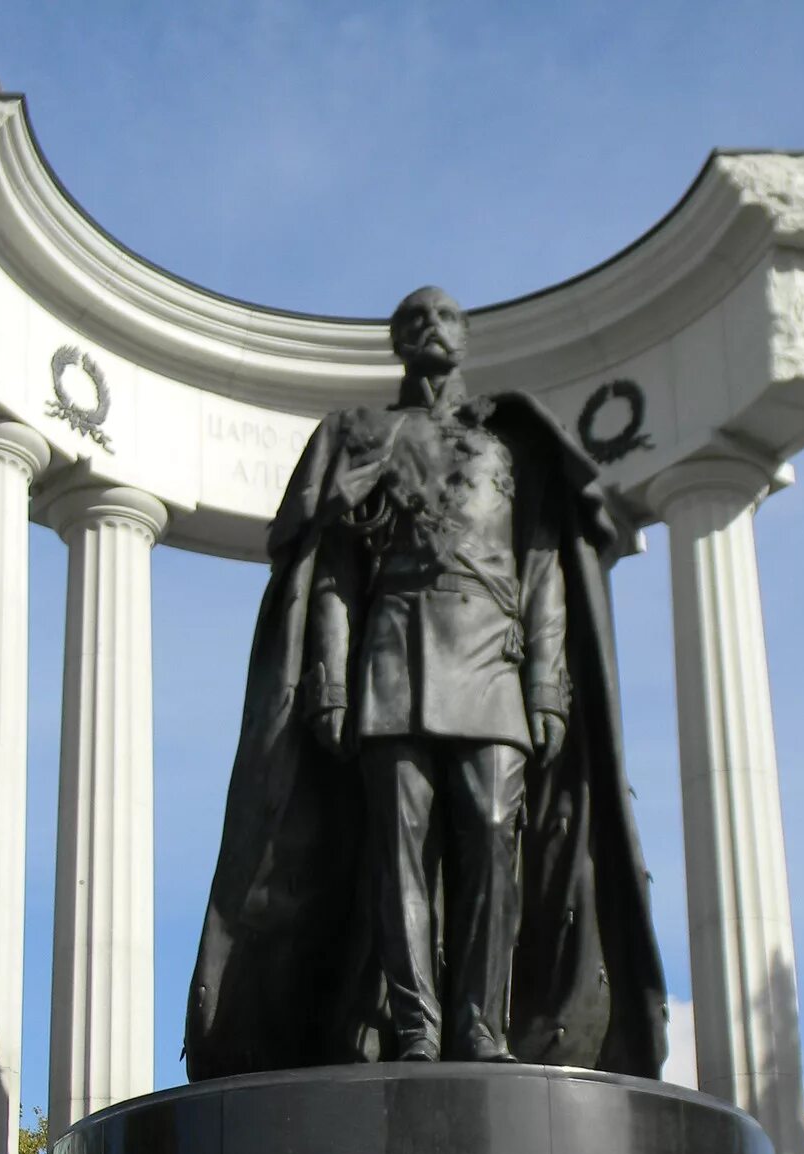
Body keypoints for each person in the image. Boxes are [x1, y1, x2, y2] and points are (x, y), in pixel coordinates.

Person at [185, 286, 666, 1080]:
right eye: (416, 318)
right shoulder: (367, 437)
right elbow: (336, 573)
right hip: (393, 655)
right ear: (398, 342)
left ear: (464, 339)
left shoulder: (511, 447)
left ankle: (481, 1026)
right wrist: (330, 684)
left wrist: (547, 684)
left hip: (491, 660)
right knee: (396, 854)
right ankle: (415, 1027)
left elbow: (543, 569)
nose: (431, 327)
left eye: (445, 317)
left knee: (491, 841)